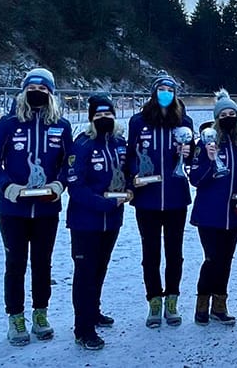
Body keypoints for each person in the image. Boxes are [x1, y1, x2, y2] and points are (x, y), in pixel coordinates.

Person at [0, 68, 73, 346]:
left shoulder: (62, 125)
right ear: (24, 91)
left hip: (46, 209)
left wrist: (60, 185)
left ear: (51, 93)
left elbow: (68, 163)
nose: (38, 93)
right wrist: (6, 185)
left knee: (42, 263)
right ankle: (15, 316)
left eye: (44, 89)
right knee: (15, 264)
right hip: (13, 210)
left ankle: (40, 313)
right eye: (33, 88)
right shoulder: (8, 123)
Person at [125, 73, 194, 328]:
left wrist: (190, 151)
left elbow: (191, 157)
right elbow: (130, 154)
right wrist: (134, 174)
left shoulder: (183, 121)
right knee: (150, 252)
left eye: (170, 89)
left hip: (176, 196)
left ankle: (172, 299)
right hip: (147, 198)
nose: (166, 92)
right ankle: (154, 300)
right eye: (162, 88)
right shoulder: (138, 121)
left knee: (175, 252)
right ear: (154, 92)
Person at [66, 94, 131, 350]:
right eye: (99, 116)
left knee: (100, 269)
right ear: (92, 118)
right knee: (84, 273)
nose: (104, 119)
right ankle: (83, 329)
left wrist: (130, 187)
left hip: (112, 221)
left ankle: (93, 311)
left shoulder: (119, 143)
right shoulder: (82, 145)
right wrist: (103, 203)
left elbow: (126, 173)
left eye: (108, 115)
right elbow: (76, 187)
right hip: (86, 221)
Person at [189, 89, 237, 326]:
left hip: (233, 214)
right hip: (209, 213)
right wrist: (208, 159)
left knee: (226, 260)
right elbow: (195, 179)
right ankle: (202, 303)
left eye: (232, 113)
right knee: (212, 258)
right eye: (223, 114)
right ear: (217, 118)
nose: (228, 117)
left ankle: (219, 304)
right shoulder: (206, 143)